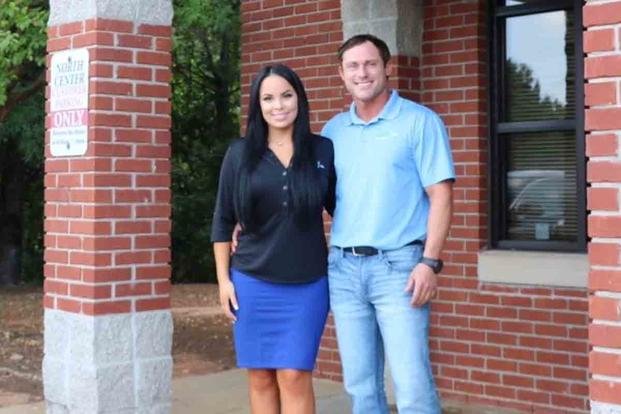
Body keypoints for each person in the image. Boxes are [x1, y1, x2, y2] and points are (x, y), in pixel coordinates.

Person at [321, 34, 455, 414]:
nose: (362, 73)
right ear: (341, 74)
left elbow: (441, 195)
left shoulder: (419, 122)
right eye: (353, 66)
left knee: (412, 388)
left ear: (387, 67)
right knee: (361, 387)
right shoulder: (333, 132)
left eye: (370, 64)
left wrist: (429, 262)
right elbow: (311, 195)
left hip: (399, 269)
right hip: (344, 270)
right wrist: (247, 223)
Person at [211, 64, 336, 414]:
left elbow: (343, 207)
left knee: (295, 375)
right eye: (268, 98)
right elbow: (222, 219)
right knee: (261, 377)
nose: (278, 105)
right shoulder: (239, 154)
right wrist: (223, 282)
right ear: (257, 104)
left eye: (286, 95)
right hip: (251, 281)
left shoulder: (322, 150)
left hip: (308, 284)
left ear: (299, 98)